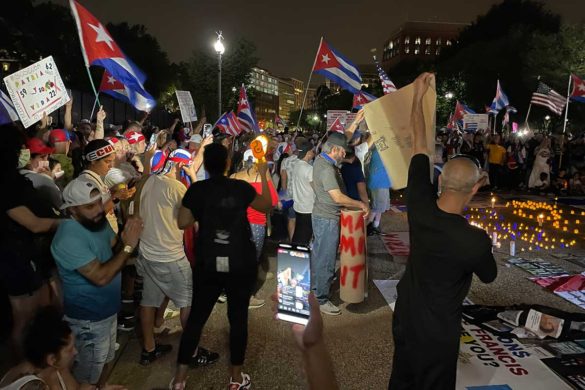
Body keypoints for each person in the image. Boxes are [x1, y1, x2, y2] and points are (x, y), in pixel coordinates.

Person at [388, 73, 497, 390]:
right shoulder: (474, 240)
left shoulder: (420, 203)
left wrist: (418, 97)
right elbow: (489, 275)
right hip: (438, 331)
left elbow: (419, 144)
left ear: (439, 181)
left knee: (401, 378)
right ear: (475, 188)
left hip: (405, 316)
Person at [171, 143, 273, 390]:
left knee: (196, 319)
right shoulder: (240, 187)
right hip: (240, 261)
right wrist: (262, 172)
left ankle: (180, 380)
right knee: (238, 320)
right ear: (228, 163)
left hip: (209, 261)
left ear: (205, 164)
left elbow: (183, 222)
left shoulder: (198, 189)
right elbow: (266, 205)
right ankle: (236, 380)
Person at [50, 179, 143, 387]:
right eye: (89, 206)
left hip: (107, 313)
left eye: (99, 202)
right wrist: (128, 246)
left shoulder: (95, 223)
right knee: (87, 376)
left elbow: (116, 250)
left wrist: (128, 233)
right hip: (88, 320)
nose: (99, 209)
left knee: (106, 361)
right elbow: (101, 277)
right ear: (72, 210)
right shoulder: (68, 238)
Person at [137, 148, 219, 366]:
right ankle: (192, 354)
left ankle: (149, 349)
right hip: (170, 256)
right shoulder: (177, 187)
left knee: (148, 302)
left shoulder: (148, 181)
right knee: (188, 303)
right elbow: (192, 218)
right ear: (181, 165)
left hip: (147, 253)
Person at [0, 124, 61, 360]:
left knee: (38, 311)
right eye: (21, 148)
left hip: (25, 254)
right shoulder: (5, 184)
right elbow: (33, 224)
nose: (23, 152)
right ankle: (25, 367)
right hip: (15, 257)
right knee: (24, 318)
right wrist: (66, 223)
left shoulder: (12, 178)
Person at [311, 131, 369, 316]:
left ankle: (316, 287)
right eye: (343, 151)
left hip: (322, 216)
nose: (345, 154)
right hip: (327, 219)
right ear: (334, 149)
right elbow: (337, 197)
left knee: (320, 255)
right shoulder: (327, 168)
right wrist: (360, 203)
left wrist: (355, 122)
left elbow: (341, 136)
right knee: (326, 259)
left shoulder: (323, 159)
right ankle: (321, 298)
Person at [0, 307, 126, 390]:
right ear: (51, 359)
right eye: (70, 349)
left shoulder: (56, 367)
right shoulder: (31, 386)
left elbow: (76, 388)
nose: (75, 352)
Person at [231, 149, 279, 309]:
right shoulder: (262, 177)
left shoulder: (234, 177)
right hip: (255, 224)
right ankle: (247, 297)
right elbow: (272, 201)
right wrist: (267, 176)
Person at [78, 139, 135, 234]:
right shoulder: (86, 182)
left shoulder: (95, 177)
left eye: (112, 161)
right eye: (107, 161)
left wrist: (113, 191)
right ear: (93, 161)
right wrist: (114, 197)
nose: (110, 165)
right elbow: (91, 214)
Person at [290, 139, 316, 246]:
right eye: (313, 151)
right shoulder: (309, 169)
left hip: (298, 206)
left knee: (299, 233)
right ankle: (300, 257)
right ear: (308, 153)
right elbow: (316, 188)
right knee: (305, 237)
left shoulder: (296, 165)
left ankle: (295, 254)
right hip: (308, 208)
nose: (314, 153)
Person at [366, 146, 391, 236]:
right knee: (376, 207)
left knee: (379, 207)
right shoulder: (381, 150)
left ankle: (375, 226)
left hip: (381, 182)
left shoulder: (376, 149)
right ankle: (367, 228)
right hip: (380, 182)